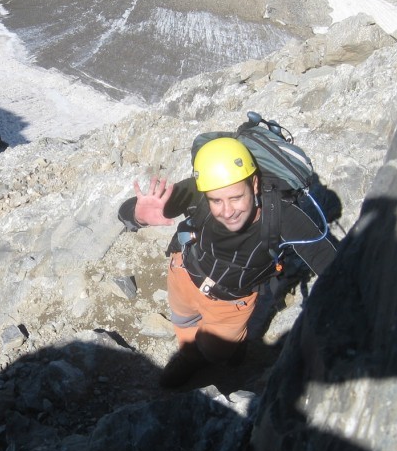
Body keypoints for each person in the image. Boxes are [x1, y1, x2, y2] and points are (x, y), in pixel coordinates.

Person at [119, 136, 334, 387]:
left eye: (235, 198)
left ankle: (226, 350)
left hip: (231, 301)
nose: (227, 210)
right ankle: (189, 358)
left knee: (216, 351)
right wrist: (138, 214)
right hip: (185, 275)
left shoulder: (281, 215)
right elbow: (127, 213)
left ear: (254, 184)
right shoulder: (200, 190)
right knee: (182, 322)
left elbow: (328, 262)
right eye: (216, 201)